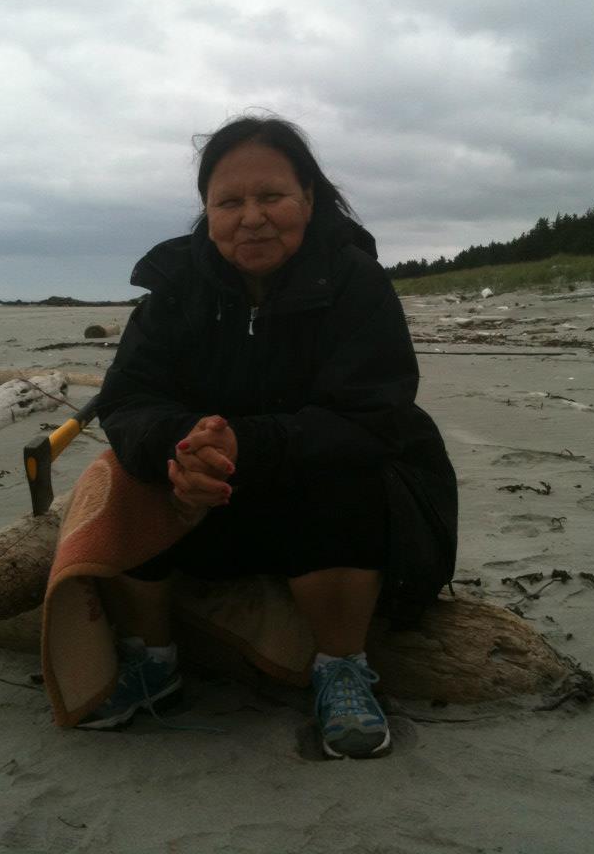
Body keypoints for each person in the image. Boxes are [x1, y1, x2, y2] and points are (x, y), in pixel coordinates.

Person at [82, 115, 458, 759]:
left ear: (308, 199)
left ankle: (342, 666)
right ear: (207, 211)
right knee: (120, 475)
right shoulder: (175, 289)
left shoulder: (355, 282)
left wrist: (244, 446)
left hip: (342, 510)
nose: (251, 217)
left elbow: (370, 419)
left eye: (271, 197)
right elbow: (129, 399)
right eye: (230, 202)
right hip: (213, 496)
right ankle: (154, 660)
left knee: (344, 476)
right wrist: (183, 445)